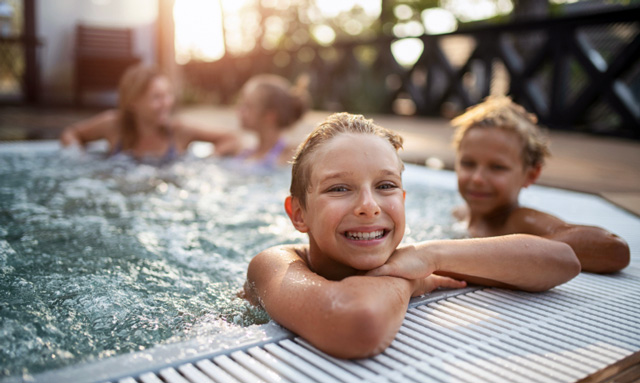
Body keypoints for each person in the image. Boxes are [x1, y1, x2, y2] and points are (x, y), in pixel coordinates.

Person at [244, 112, 580, 359]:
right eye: (339, 188)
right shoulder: (273, 264)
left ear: (402, 200)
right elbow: (357, 322)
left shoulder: (413, 258)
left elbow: (563, 261)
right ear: (299, 214)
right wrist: (410, 281)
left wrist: (433, 255)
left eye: (386, 186)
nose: (369, 206)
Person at [451, 95, 630, 274]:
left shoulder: (519, 220)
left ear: (531, 175)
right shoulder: (461, 213)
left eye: (497, 167)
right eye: (468, 164)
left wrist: (519, 250)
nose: (477, 179)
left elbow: (614, 249)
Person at [60, 63, 239, 162]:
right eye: (157, 98)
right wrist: (78, 158)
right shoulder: (114, 124)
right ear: (132, 102)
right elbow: (71, 133)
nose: (166, 103)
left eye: (168, 95)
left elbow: (233, 138)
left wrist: (208, 161)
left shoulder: (179, 130)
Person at [231, 74, 310, 170]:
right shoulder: (245, 151)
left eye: (247, 106)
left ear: (269, 116)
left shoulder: (290, 158)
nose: (239, 110)